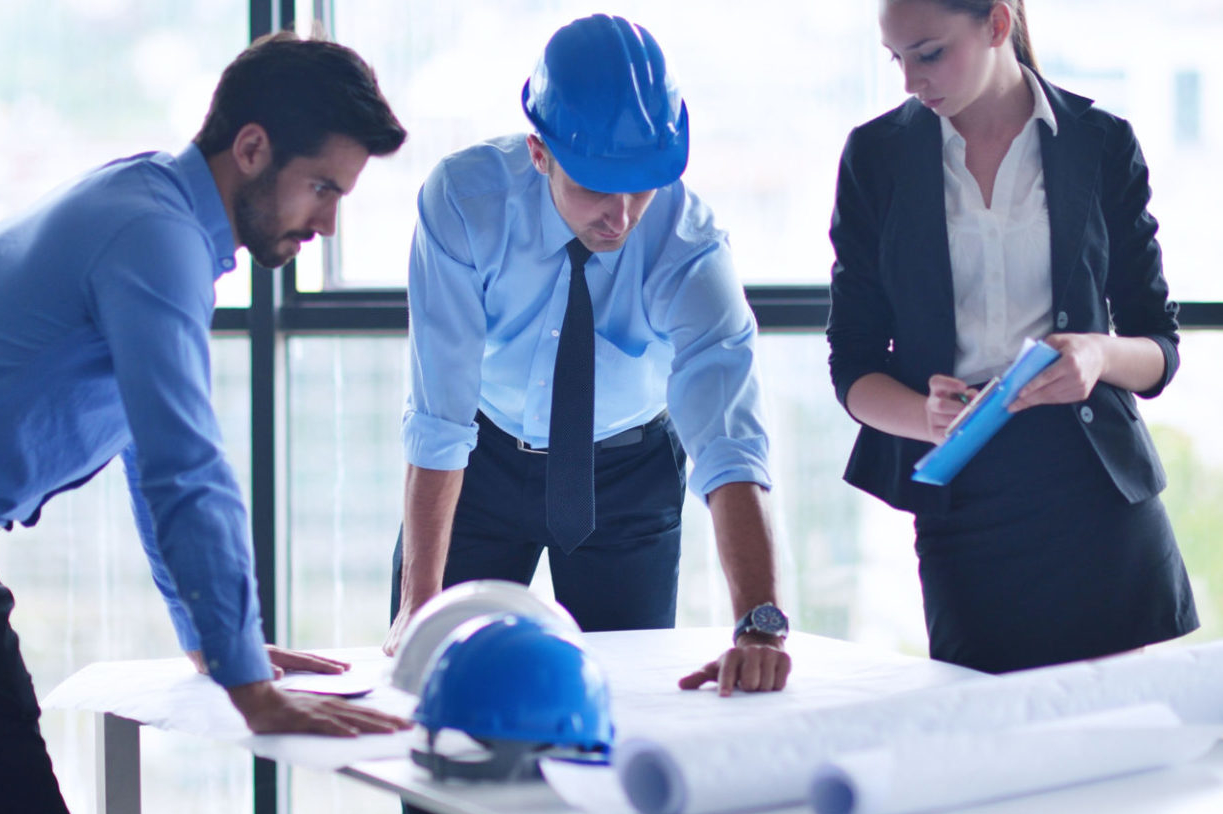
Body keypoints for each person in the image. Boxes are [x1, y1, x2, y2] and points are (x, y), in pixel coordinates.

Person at [0, 32, 410, 813]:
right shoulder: (155, 238)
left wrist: (214, 643)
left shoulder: (155, 209)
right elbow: (185, 467)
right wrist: (251, 689)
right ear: (252, 147)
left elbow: (144, 457)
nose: (327, 225)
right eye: (322, 188)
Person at [384, 14, 791, 696]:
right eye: (598, 186)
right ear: (539, 152)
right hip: (479, 467)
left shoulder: (689, 248)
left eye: (642, 185)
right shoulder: (464, 202)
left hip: (627, 475)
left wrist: (760, 623)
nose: (623, 215)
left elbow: (729, 444)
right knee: (438, 691)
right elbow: (440, 413)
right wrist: (419, 603)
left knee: (623, 711)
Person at [827, 0, 1198, 674]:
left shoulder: (1100, 141)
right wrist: (925, 417)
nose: (910, 79)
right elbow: (851, 364)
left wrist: (1095, 354)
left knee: (1119, 741)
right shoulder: (876, 157)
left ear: (998, 24)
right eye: (896, 57)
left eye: (929, 52)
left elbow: (1158, 349)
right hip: (963, 496)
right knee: (987, 737)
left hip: (1094, 489)